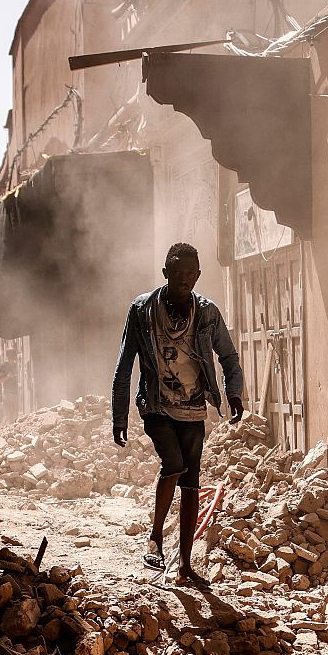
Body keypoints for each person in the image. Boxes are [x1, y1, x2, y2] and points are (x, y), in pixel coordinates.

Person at [111, 243, 244, 587]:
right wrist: (119, 416)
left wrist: (233, 392)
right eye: (177, 272)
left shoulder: (208, 313)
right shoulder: (142, 310)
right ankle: (155, 537)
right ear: (165, 272)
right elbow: (124, 365)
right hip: (156, 404)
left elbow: (229, 356)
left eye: (190, 273)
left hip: (194, 407)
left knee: (191, 480)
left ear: (197, 275)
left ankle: (185, 564)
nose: (184, 279)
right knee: (173, 463)